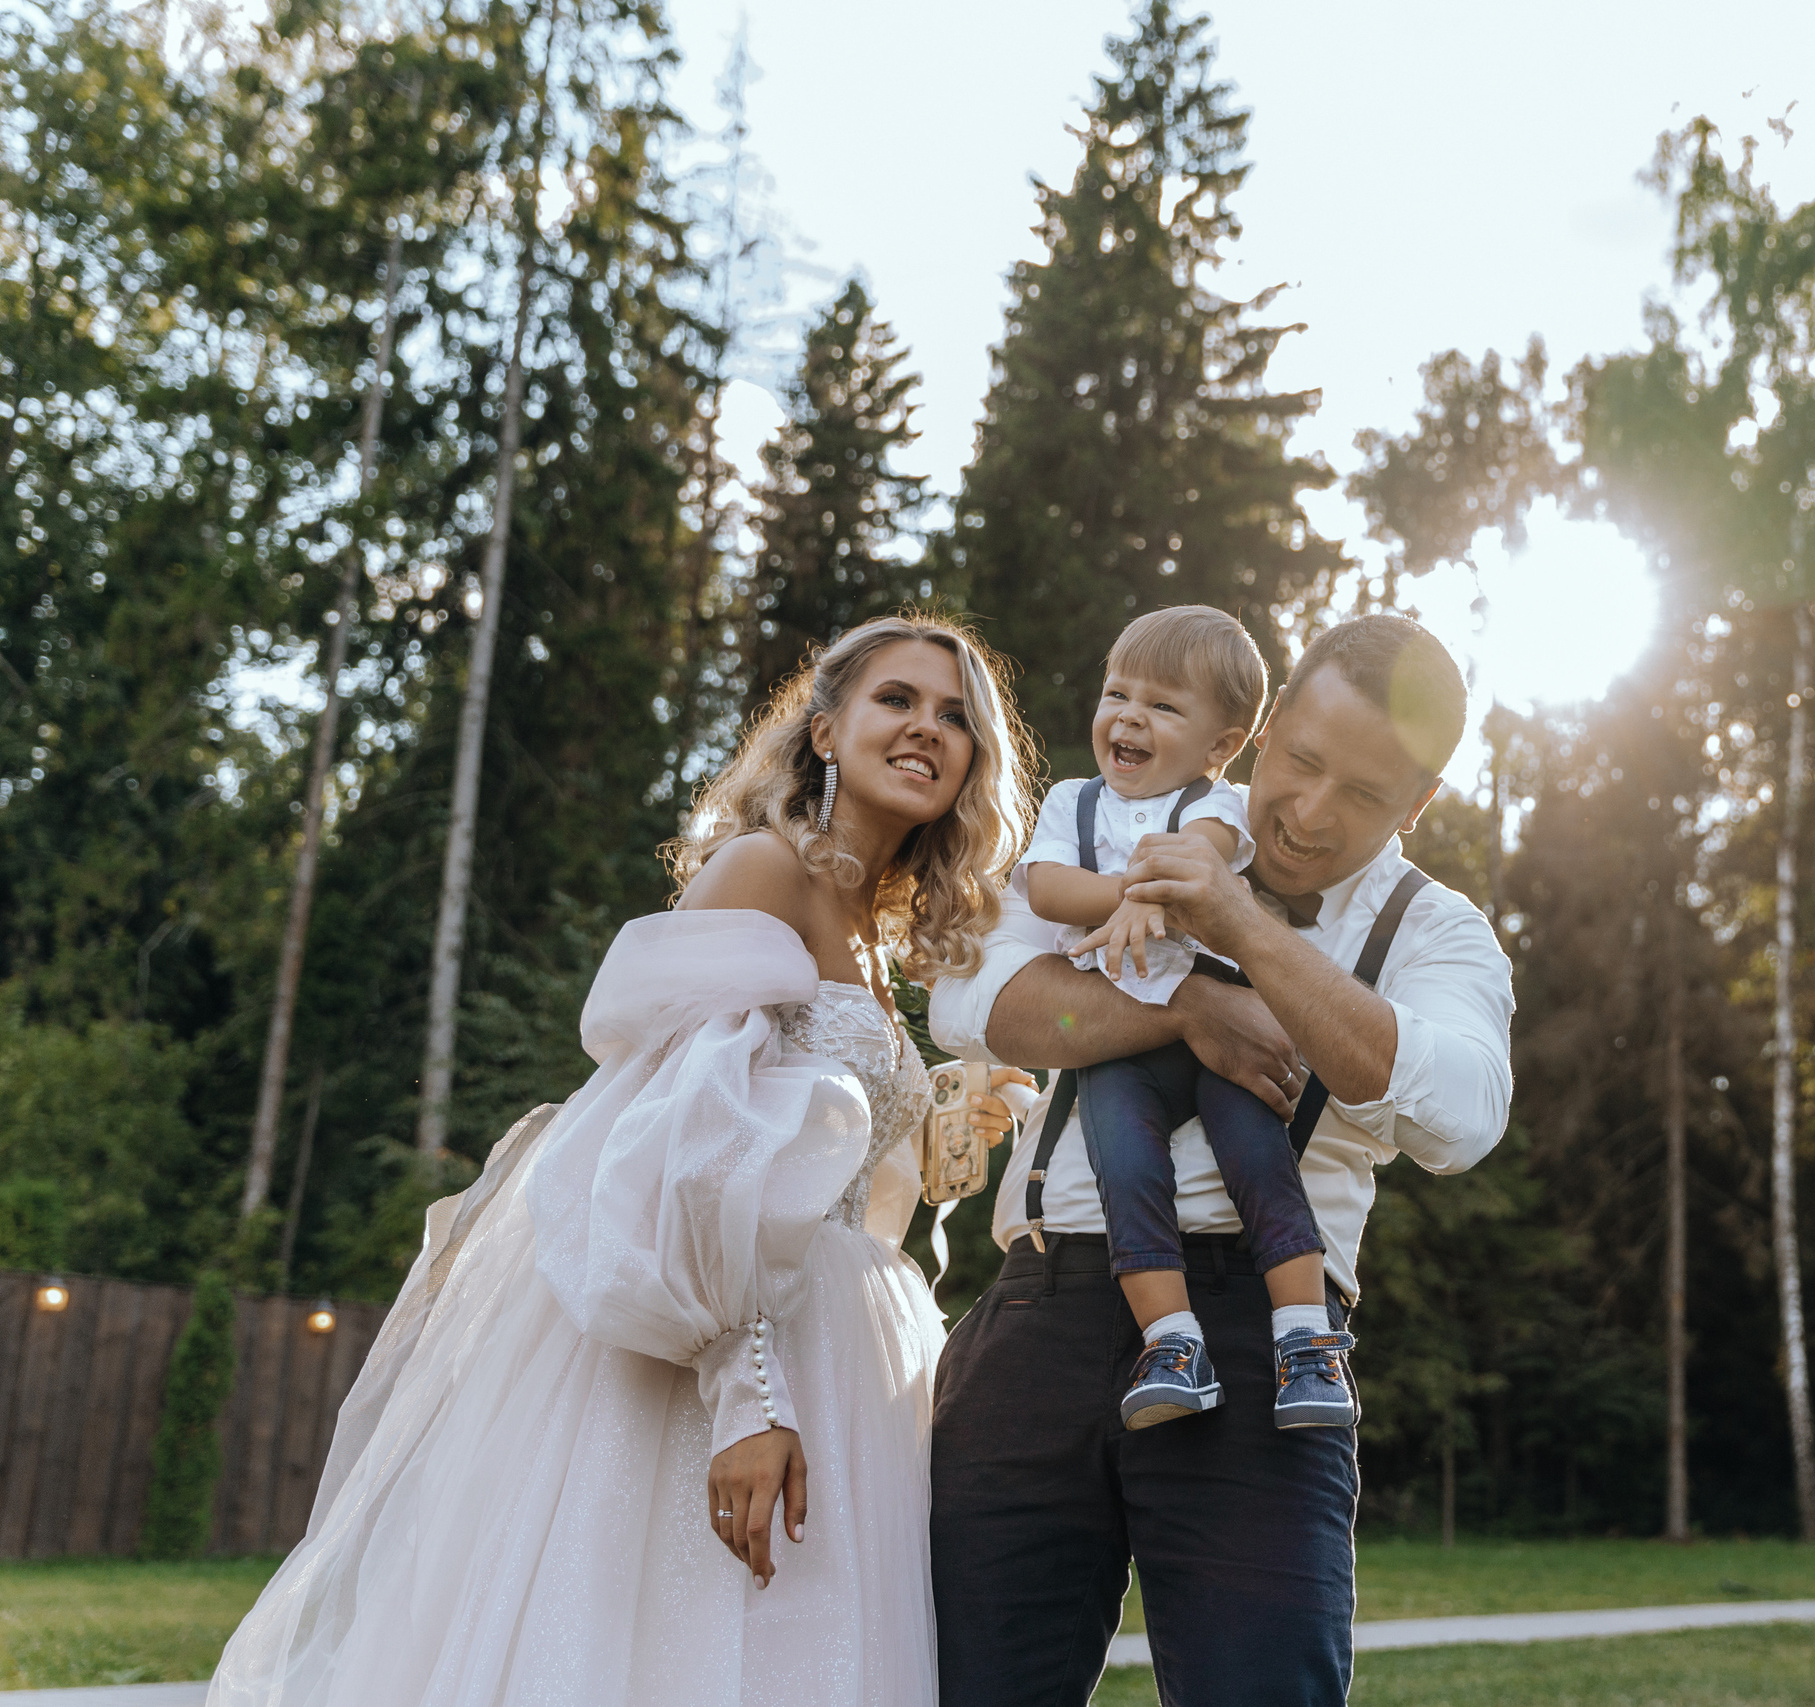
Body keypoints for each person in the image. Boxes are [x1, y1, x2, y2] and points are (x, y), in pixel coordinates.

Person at [208, 615, 1036, 1707]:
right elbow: (680, 1148)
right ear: (826, 731)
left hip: (835, 1345)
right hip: (718, 1356)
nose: (927, 729)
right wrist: (746, 1400)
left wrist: (938, 1111)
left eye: (954, 717)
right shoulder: (763, 872)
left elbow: (813, 1159)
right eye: (898, 700)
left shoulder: (877, 944)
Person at [928, 613, 1517, 1707]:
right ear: (1262, 730)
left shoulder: (1433, 932)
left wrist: (1244, 932)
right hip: (1039, 1318)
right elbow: (982, 1005)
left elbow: (1459, 1119)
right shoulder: (1113, 834)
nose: (1309, 813)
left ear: (1419, 806)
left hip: (1266, 1354)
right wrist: (1189, 1007)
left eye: (1364, 796)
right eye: (1300, 763)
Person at [1020, 605, 1346, 1432]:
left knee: (1259, 1162)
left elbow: (1195, 869)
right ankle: (1172, 1341)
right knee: (1124, 1170)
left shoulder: (1217, 805)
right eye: (1117, 693)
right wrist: (1138, 891)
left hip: (1218, 1031)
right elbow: (1049, 890)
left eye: (1163, 706)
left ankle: (1306, 1341)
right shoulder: (1071, 800)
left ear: (1220, 746)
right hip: (1117, 1033)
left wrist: (1157, 891)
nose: (1128, 716)